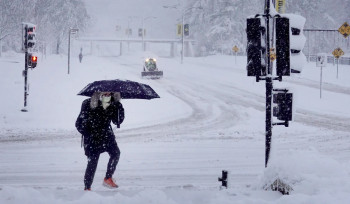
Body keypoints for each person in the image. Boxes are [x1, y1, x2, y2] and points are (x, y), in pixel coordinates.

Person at [75, 92, 124, 191]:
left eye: (109, 92)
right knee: (92, 162)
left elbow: (117, 121)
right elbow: (79, 123)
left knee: (116, 153)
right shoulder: (88, 103)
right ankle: (87, 187)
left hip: (107, 135)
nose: (107, 94)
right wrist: (89, 133)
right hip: (93, 138)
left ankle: (108, 178)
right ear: (98, 92)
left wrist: (119, 106)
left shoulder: (113, 104)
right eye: (104, 92)